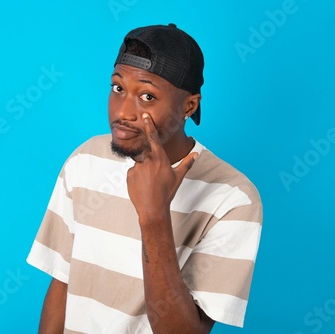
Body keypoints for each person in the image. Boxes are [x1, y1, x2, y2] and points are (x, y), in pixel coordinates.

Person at [27, 23, 263, 333]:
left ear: (189, 106)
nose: (124, 111)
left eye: (148, 96)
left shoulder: (234, 198)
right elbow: (62, 285)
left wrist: (153, 214)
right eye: (118, 88)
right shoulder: (85, 159)